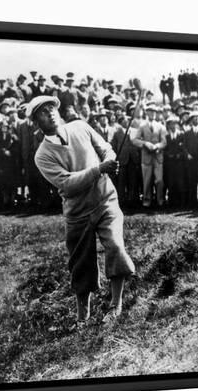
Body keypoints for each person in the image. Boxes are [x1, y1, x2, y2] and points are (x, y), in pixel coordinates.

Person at [31, 96, 135, 325]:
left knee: (116, 247)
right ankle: (82, 317)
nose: (50, 113)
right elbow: (67, 183)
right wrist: (99, 169)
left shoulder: (80, 126)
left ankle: (115, 305)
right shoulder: (42, 155)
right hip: (78, 212)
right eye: (42, 112)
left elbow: (105, 148)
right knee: (81, 264)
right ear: (36, 122)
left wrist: (109, 159)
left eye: (51, 109)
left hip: (106, 199)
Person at [132, 104, 167, 207]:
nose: (153, 114)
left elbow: (164, 142)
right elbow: (135, 140)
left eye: (154, 112)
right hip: (146, 156)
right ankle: (147, 201)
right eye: (150, 111)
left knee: (159, 180)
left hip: (157, 157)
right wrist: (145, 144)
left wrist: (157, 146)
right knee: (146, 180)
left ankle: (160, 200)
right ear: (146, 113)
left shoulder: (161, 126)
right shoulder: (142, 126)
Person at [0, 120, 21, 206]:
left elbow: (17, 147)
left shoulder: (13, 137)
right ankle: (5, 198)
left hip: (11, 162)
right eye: (3, 127)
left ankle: (13, 197)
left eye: (6, 127)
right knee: (3, 180)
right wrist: (3, 151)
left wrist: (10, 152)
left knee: (12, 181)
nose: (4, 128)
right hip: (2, 162)